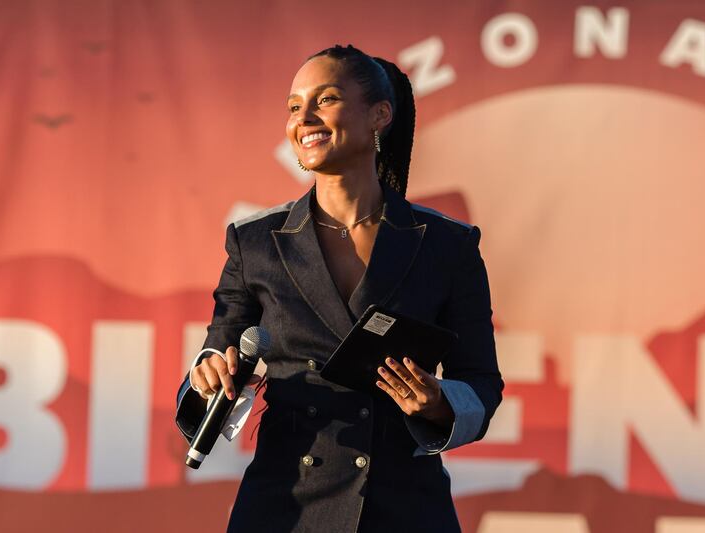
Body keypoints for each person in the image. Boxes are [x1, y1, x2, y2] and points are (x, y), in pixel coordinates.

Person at [175, 44, 504, 532]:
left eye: (324, 100)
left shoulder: (448, 245)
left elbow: (481, 383)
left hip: (404, 509)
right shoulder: (256, 243)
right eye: (293, 106)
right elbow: (214, 357)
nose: (303, 117)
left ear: (379, 114)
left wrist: (437, 403)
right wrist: (207, 379)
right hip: (285, 508)